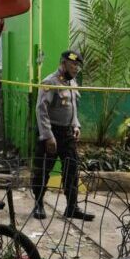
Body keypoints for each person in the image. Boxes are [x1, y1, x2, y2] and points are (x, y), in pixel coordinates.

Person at [32, 50, 95, 221]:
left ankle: (72, 207)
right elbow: (41, 110)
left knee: (72, 170)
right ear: (63, 63)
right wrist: (48, 136)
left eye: (78, 65)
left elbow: (73, 108)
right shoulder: (50, 82)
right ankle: (38, 204)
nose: (76, 68)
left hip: (67, 133)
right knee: (43, 170)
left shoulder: (72, 83)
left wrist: (76, 126)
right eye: (73, 64)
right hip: (51, 132)